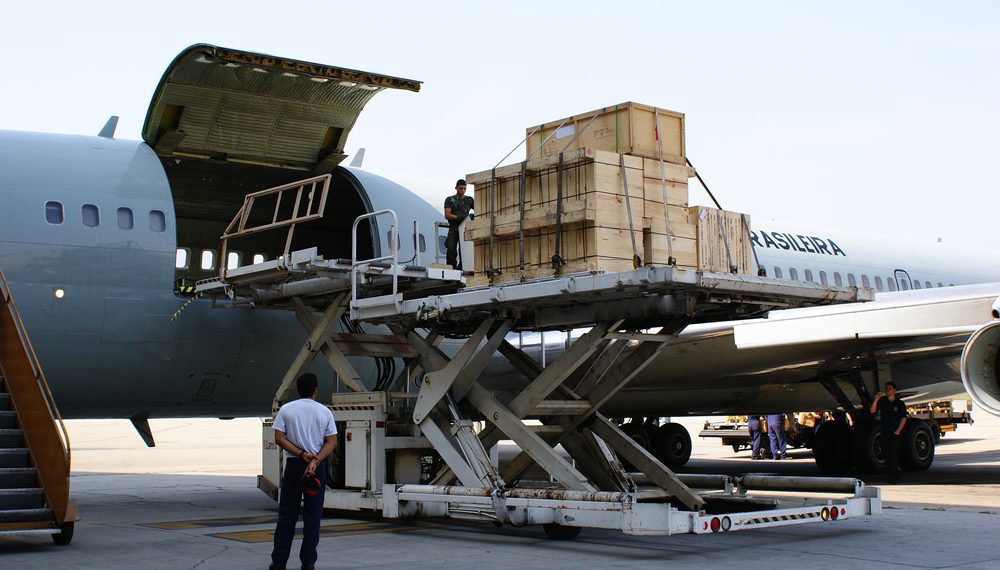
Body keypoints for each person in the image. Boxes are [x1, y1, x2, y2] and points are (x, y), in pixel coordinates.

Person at [270, 373, 338, 570]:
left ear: (298, 390)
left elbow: (279, 438)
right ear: (315, 390)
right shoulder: (324, 411)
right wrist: (315, 459)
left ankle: (279, 562)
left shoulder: (287, 409)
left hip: (295, 465)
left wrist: (301, 455)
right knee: (312, 515)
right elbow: (331, 442)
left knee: (287, 515)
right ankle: (308, 563)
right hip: (316, 468)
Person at [870, 382, 908, 484]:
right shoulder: (883, 401)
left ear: (894, 390)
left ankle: (891, 477)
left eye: (890, 388)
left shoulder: (899, 403)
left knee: (893, 454)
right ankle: (894, 473)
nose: (888, 390)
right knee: (886, 453)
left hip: (895, 432)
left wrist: (898, 431)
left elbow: (903, 418)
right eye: (886, 388)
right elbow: (872, 411)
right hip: (885, 431)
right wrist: (876, 399)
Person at [443, 178, 474, 270]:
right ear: (456, 188)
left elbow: (479, 210)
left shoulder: (469, 200)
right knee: (451, 249)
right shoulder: (450, 200)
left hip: (465, 228)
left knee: (464, 250)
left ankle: (462, 269)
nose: (462, 190)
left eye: (464, 188)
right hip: (454, 228)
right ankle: (451, 269)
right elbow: (447, 215)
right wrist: (458, 217)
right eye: (460, 188)